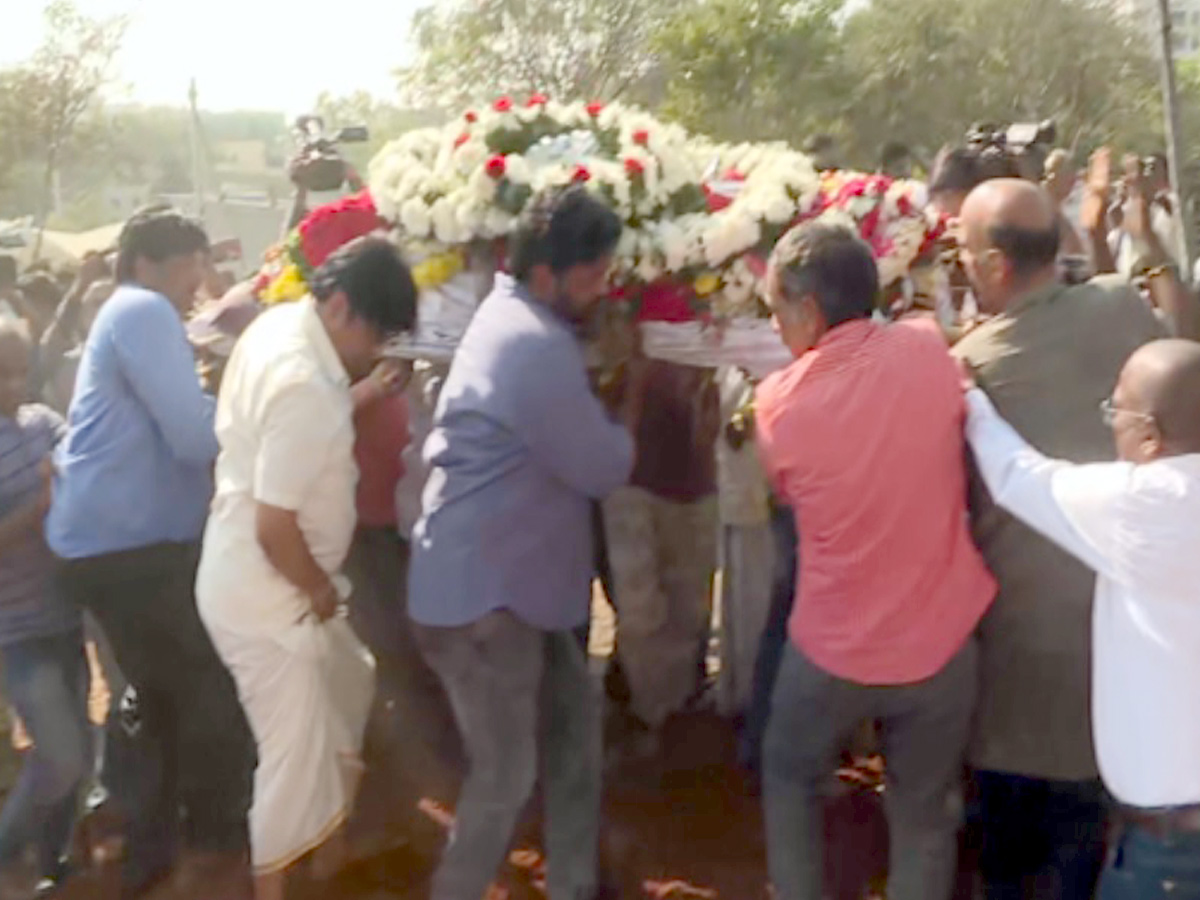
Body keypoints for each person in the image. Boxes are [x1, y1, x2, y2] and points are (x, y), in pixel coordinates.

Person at [408, 185, 637, 900]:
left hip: (510, 594)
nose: (603, 290)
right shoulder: (534, 344)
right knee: (505, 776)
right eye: (593, 277)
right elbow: (603, 465)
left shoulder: (514, 318)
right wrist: (631, 382)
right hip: (487, 604)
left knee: (573, 745)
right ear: (546, 276)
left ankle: (573, 885)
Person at [755, 222, 995, 900]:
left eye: (776, 312)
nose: (776, 329)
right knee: (924, 814)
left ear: (806, 309)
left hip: (833, 653)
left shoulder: (778, 403)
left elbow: (786, 493)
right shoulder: (927, 352)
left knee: (790, 777)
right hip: (943, 645)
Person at [952, 179, 1164, 900]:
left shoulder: (972, 363)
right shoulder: (1121, 306)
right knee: (1083, 844)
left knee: (1013, 856)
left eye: (963, 251)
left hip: (1020, 654)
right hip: (1122, 653)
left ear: (995, 268)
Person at [196, 237, 417, 900]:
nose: (375, 351)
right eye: (375, 335)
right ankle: (275, 886)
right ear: (343, 307)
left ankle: (329, 856)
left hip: (255, 575)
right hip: (272, 593)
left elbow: (303, 428)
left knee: (348, 687)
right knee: (292, 754)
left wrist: (368, 389)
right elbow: (275, 527)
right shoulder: (303, 380)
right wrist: (318, 589)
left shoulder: (283, 327)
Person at [47, 207, 256, 897]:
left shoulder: (130, 309)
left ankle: (147, 843)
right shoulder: (142, 312)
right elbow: (196, 438)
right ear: (149, 264)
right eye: (188, 270)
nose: (197, 285)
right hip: (130, 549)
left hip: (117, 543)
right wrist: (250, 407)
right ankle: (211, 840)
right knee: (200, 687)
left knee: (156, 693)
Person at [962, 339, 1200, 900]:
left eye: (1116, 410)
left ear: (1148, 434)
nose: (1110, 424)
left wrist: (970, 398)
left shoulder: (1143, 505)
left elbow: (1018, 476)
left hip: (1169, 852)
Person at [0, 322, 91, 899]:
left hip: (65, 619)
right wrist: (40, 508)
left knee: (78, 754)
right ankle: (8, 848)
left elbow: (81, 461)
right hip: (17, 631)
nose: (12, 382)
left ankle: (53, 858)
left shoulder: (43, 423)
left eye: (18, 368)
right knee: (58, 756)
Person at [602, 361, 719, 751]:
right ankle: (649, 712)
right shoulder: (613, 306)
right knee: (640, 612)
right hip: (631, 476)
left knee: (686, 613)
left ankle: (664, 717)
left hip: (691, 476)